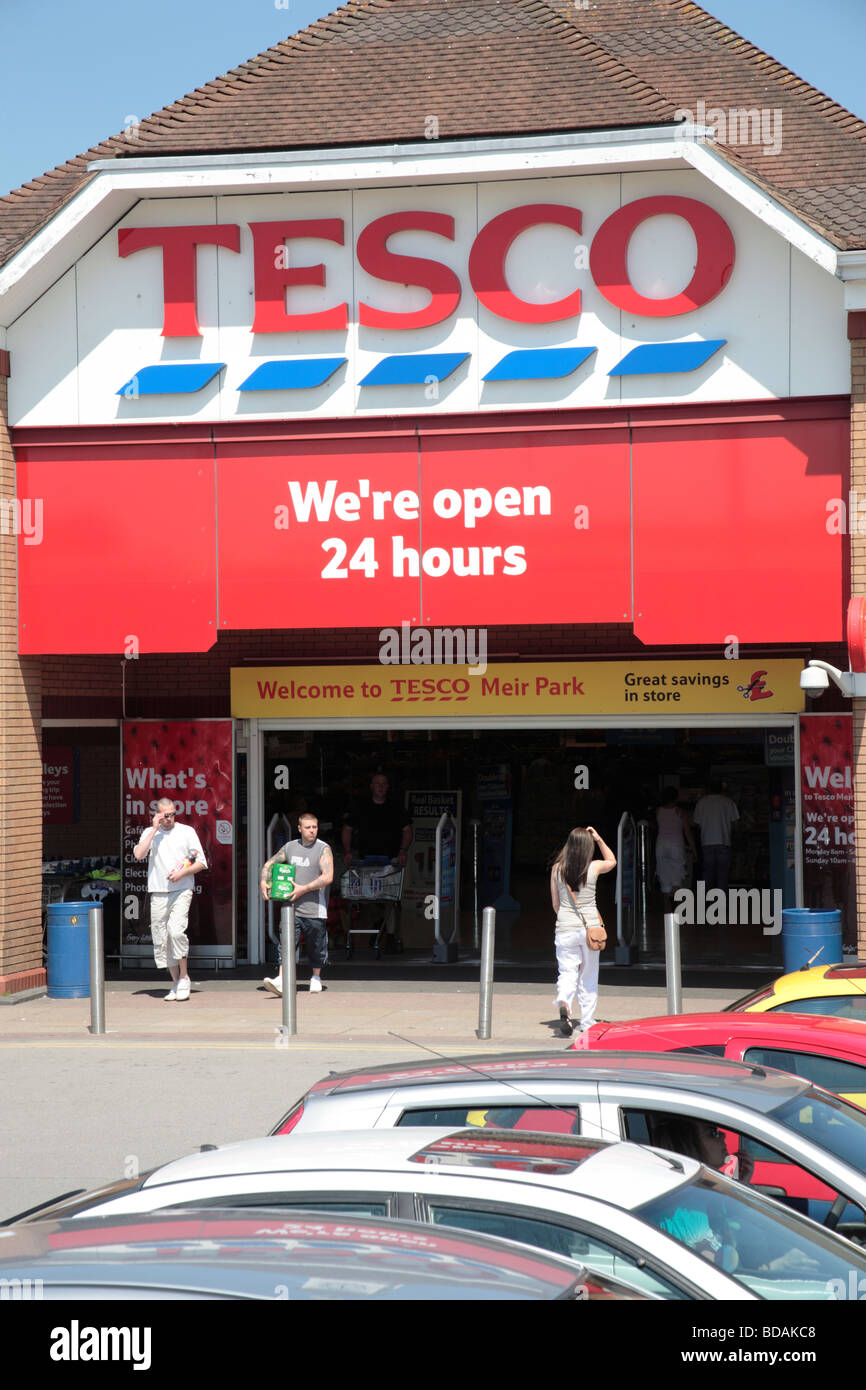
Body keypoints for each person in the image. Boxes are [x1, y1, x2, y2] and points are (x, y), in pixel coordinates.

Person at [133, 798, 207, 1001]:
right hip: (158, 891)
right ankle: (175, 981)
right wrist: (154, 830)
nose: (170, 818)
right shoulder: (150, 834)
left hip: (181, 889)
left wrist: (183, 873)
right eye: (166, 815)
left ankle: (184, 977)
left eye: (173, 813)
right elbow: (139, 854)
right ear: (156, 815)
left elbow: (200, 862)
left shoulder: (186, 832)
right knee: (161, 938)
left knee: (176, 931)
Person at [550, 826, 616, 1037]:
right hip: (590, 930)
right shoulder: (594, 867)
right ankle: (587, 1022)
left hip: (565, 929)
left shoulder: (557, 869)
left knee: (567, 972)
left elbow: (555, 904)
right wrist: (598, 839)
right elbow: (612, 861)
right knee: (588, 976)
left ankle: (564, 1002)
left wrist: (566, 919)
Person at [260, 812, 334, 996]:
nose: (312, 831)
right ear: (299, 828)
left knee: (316, 946)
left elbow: (328, 876)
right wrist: (264, 881)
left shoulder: (323, 848)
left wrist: (304, 889)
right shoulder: (290, 847)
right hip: (291, 907)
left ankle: (316, 976)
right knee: (286, 943)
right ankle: (282, 980)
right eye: (308, 827)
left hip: (315, 908)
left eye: (314, 827)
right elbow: (270, 864)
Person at [342, 774, 412, 950]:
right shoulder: (360, 806)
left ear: (388, 787)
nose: (380, 787)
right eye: (377, 784)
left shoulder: (395, 806)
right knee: (367, 897)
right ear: (371, 786)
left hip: (391, 859)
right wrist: (348, 852)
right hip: (365, 861)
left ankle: (389, 935)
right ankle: (376, 929)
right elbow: (347, 829)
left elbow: (407, 830)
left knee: (390, 897)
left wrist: (403, 851)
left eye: (384, 784)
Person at [693, 781, 740, 892]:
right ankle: (721, 901)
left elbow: (696, 823)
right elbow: (735, 823)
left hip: (707, 842)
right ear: (721, 789)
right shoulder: (729, 802)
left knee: (708, 873)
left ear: (709, 789)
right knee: (723, 874)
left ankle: (706, 900)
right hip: (724, 842)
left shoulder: (701, 802)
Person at [654, 787, 696, 906]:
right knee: (677, 877)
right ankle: (675, 908)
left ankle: (668, 910)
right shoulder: (680, 812)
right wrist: (694, 850)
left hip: (661, 845)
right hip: (676, 845)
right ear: (675, 798)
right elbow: (687, 833)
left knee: (664, 876)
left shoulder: (658, 811)